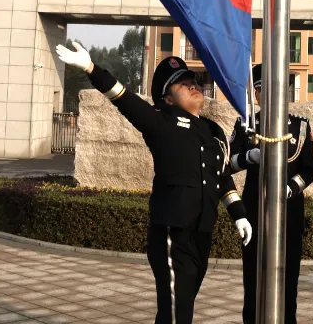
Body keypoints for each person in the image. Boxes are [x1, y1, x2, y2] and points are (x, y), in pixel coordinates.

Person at [56, 43, 253, 324]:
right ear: (168, 99)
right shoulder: (161, 123)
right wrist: (91, 68)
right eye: (181, 84)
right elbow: (124, 98)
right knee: (177, 313)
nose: (192, 85)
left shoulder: (213, 131)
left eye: (192, 80)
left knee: (176, 309)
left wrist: (239, 215)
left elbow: (221, 177)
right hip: (172, 234)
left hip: (201, 233)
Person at [229, 64, 313, 324]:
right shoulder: (246, 125)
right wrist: (248, 157)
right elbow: (227, 164)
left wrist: (292, 187)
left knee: (289, 286)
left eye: (276, 89)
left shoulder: (300, 127)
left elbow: (310, 170)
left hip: (289, 216)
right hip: (255, 214)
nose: (269, 95)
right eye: (262, 90)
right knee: (253, 283)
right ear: (255, 95)